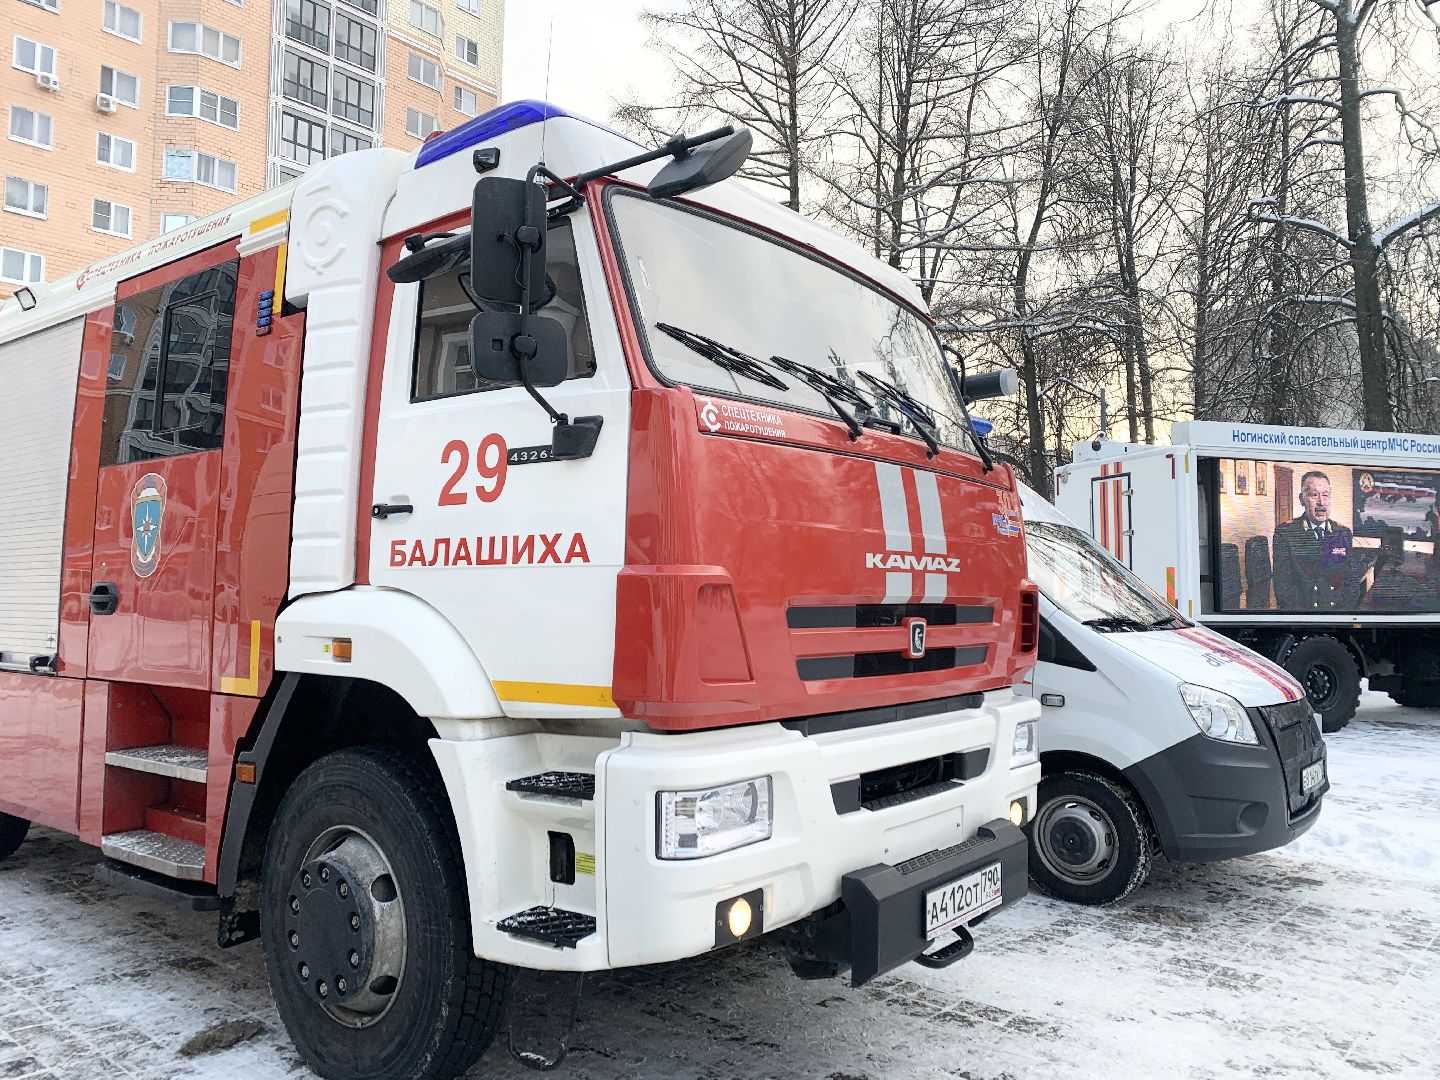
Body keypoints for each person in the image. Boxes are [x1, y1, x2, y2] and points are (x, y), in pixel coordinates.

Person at [1272, 470, 1361, 610]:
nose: (1321, 502)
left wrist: (1342, 616)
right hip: (1303, 618)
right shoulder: (1285, 534)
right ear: (1302, 499)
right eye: (1314, 495)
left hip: (1337, 615)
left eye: (1326, 495)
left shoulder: (1343, 533)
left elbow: (1353, 583)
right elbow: (1283, 588)